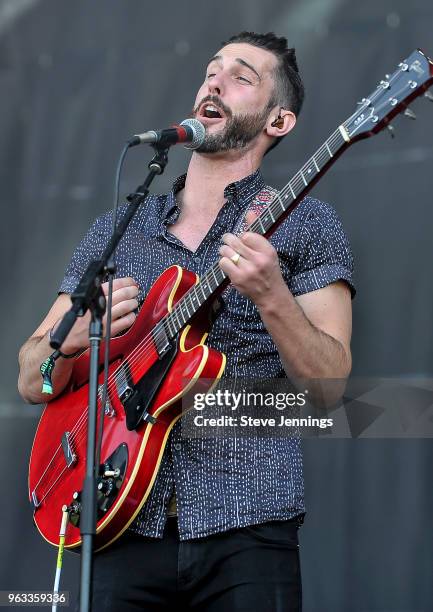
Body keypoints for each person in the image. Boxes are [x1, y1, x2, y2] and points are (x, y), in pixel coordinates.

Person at [18, 31, 354, 612]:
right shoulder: (118, 229)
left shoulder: (307, 223)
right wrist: (63, 344)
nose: (214, 82)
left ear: (279, 121)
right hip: (119, 522)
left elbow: (329, 389)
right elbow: (31, 380)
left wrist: (272, 295)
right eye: (211, 70)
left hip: (246, 522)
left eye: (241, 77)